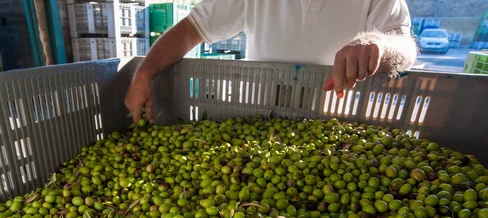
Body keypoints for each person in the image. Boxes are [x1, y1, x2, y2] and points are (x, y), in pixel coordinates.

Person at [124, 0, 418, 124]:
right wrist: (145, 72)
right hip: (259, 119)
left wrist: (380, 44)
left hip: (337, 124)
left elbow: (405, 49)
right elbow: (191, 30)